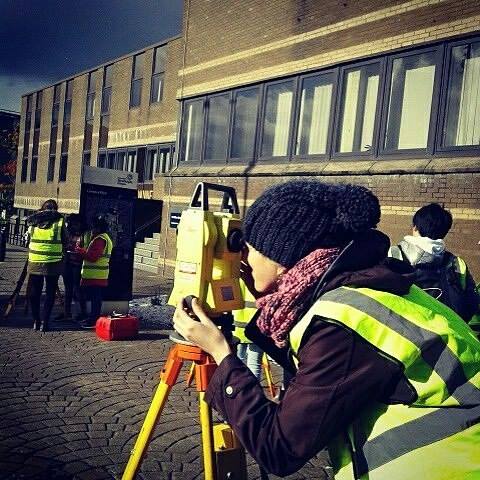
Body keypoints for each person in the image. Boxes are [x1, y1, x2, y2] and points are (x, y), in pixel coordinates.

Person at [173, 181, 480, 479]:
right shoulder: (372, 286)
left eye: (248, 247)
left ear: (282, 259)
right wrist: (269, 296)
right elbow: (322, 372)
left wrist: (221, 354)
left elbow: (279, 448)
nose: (240, 257)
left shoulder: (342, 324)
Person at [390, 202, 479, 322]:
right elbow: (471, 303)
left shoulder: (393, 254)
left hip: (407, 333)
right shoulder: (456, 263)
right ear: (444, 232)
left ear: (415, 227)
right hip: (448, 334)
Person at [26, 199, 65, 332]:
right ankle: (45, 323)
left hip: (35, 260)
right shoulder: (60, 222)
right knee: (50, 292)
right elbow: (64, 240)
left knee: (35, 291)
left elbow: (28, 239)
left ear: (42, 208)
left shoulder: (33, 221)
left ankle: (36, 320)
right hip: (53, 262)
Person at [76, 215, 113, 329]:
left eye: (94, 227)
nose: (92, 229)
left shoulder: (100, 239)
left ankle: (93, 319)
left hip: (96, 276)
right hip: (98, 275)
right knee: (95, 298)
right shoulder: (104, 238)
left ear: (98, 228)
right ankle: (92, 318)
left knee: (95, 298)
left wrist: (81, 251)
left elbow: (93, 257)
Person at [56, 214, 87, 322]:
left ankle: (83, 312)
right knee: (68, 289)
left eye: (75, 224)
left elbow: (85, 249)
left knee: (77, 289)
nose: (73, 226)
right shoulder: (68, 234)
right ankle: (67, 312)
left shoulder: (83, 235)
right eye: (71, 224)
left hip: (77, 265)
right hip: (68, 263)